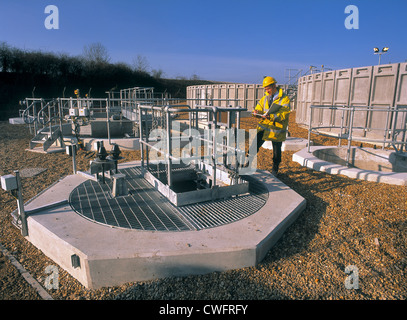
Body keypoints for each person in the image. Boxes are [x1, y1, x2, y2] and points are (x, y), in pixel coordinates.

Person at [247, 76, 291, 175]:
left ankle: (275, 168)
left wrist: (272, 116)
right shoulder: (265, 98)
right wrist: (256, 112)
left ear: (274, 85)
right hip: (264, 128)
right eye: (265, 89)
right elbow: (259, 107)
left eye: (268, 88)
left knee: (276, 152)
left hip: (276, 129)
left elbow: (284, 113)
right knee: (254, 146)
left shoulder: (284, 99)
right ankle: (248, 164)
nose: (267, 90)